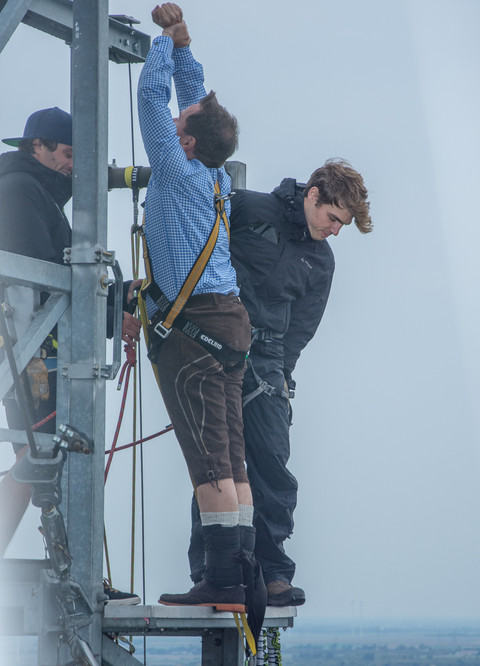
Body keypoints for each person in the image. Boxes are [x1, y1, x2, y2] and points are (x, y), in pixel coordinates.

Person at [188, 160, 373, 606]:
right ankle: (214, 571)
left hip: (268, 360)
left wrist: (279, 376)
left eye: (343, 225)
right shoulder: (247, 207)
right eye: (334, 218)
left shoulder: (321, 262)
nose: (335, 230)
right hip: (215, 344)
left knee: (272, 463)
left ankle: (272, 573)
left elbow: (302, 328)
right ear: (314, 195)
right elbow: (194, 244)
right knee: (216, 463)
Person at [137, 3, 254, 611]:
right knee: (232, 459)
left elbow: (150, 96)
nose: (180, 116)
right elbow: (193, 106)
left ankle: (224, 582)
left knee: (209, 465)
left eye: (183, 123)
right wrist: (184, 44)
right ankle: (243, 573)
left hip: (196, 329)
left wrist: (163, 39)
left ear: (184, 140)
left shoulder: (175, 168)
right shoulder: (215, 177)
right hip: (228, 321)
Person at [0, 106, 142, 604]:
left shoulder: (32, 189)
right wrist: (108, 314)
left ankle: (79, 572)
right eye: (66, 153)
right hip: (31, 352)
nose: (72, 165)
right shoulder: (20, 191)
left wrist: (117, 299)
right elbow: (44, 284)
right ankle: (78, 574)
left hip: (37, 350)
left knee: (47, 457)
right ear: (36, 146)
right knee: (41, 456)